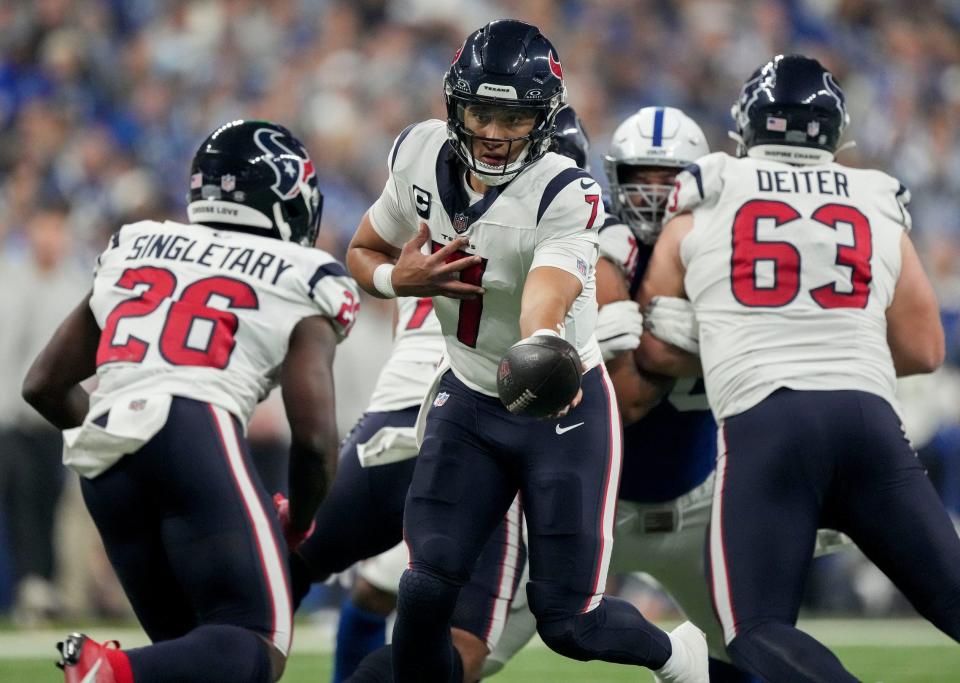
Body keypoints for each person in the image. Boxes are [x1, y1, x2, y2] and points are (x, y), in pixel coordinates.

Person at [345, 19, 707, 683]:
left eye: (512, 117)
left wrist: (540, 345)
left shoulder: (566, 190)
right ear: (455, 105)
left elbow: (550, 291)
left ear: (542, 119)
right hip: (468, 398)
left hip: (557, 405)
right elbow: (363, 250)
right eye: (480, 110)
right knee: (425, 587)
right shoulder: (419, 155)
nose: (491, 130)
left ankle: (678, 658)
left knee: (570, 621)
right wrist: (401, 278)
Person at [638, 54, 960, 681]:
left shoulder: (711, 186)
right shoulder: (873, 195)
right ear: (835, 131)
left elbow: (656, 344)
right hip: (868, 418)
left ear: (748, 126)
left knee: (755, 627)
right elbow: (924, 348)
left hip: (769, 420)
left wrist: (733, 341)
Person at [22, 119, 358, 683]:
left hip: (104, 450)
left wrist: (122, 440)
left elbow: (45, 385)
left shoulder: (139, 241)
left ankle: (115, 672)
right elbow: (316, 438)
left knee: (194, 657)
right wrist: (299, 521)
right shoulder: (307, 273)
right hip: (193, 427)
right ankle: (106, 672)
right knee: (256, 640)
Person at [290, 104, 590, 683]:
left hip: (393, 419)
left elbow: (368, 251)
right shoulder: (564, 227)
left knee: (306, 572)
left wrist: (388, 277)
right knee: (462, 644)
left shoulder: (434, 191)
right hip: (476, 422)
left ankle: (207, 646)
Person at [483, 107, 758, 683]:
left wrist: (709, 341)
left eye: (668, 177)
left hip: (700, 500)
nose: (653, 192)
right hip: (591, 504)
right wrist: (587, 349)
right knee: (465, 651)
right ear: (614, 178)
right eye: (640, 176)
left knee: (754, 655)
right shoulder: (585, 239)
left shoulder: (732, 244)